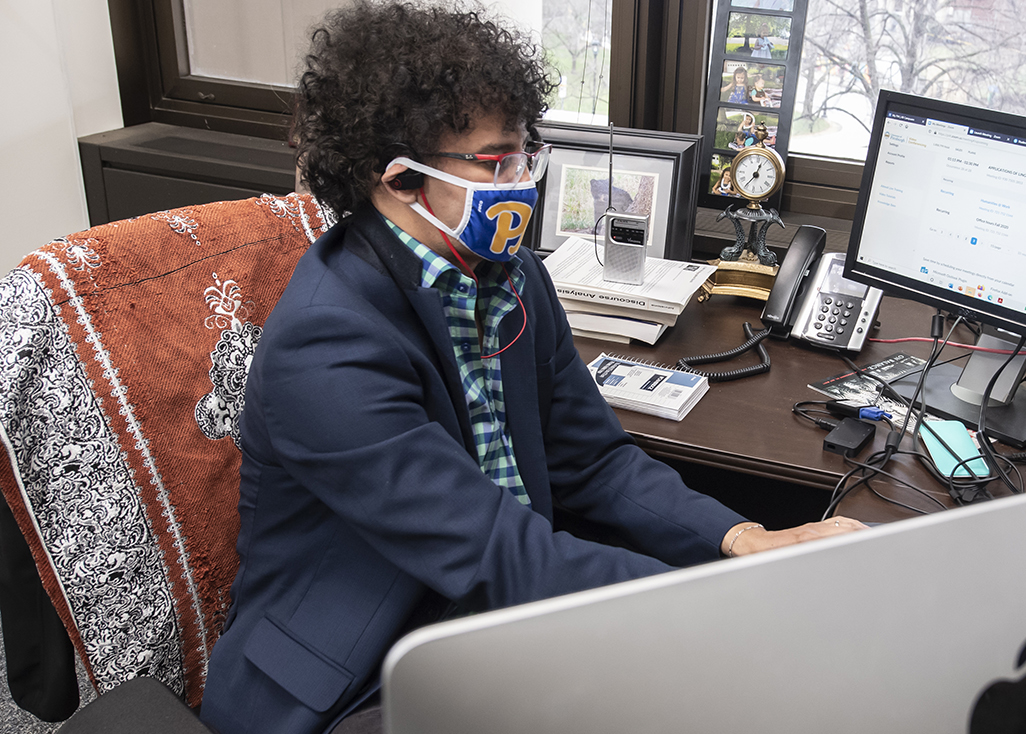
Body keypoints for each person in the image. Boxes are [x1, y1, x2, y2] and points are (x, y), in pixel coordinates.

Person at [198, 3, 864, 733]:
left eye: (527, 154)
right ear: (397, 179)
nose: (522, 182)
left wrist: (742, 540)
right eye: (496, 163)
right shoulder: (325, 347)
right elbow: (497, 556)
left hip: (490, 616)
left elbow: (596, 463)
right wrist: (722, 605)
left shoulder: (514, 278)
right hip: (356, 680)